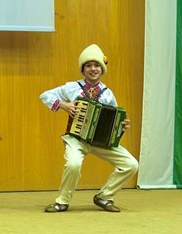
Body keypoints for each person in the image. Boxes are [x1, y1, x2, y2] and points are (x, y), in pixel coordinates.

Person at [40, 44, 138, 213]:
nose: (93, 69)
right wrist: (64, 105)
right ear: (83, 69)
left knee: (131, 164)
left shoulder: (107, 93)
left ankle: (105, 196)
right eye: (88, 65)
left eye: (97, 65)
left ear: (102, 68)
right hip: (76, 138)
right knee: (73, 164)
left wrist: (122, 125)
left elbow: (114, 120)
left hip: (100, 141)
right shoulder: (72, 87)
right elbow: (45, 95)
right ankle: (62, 201)